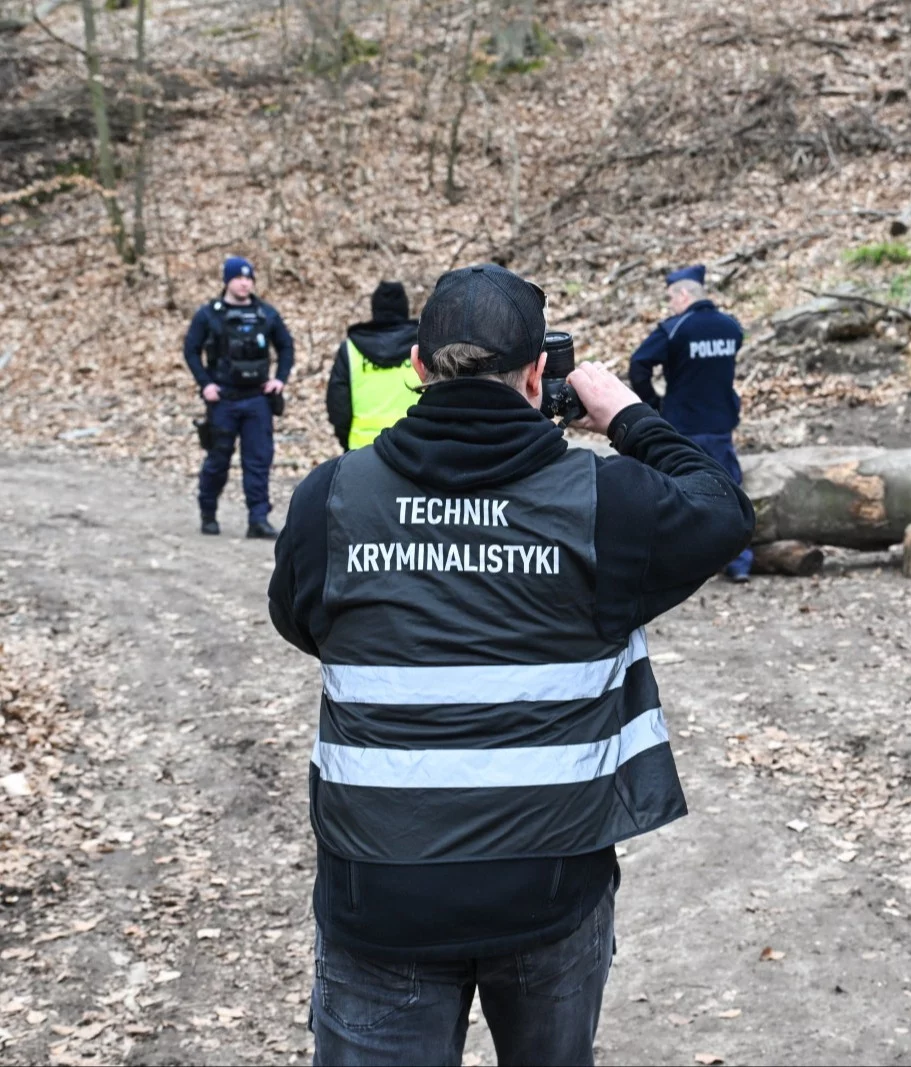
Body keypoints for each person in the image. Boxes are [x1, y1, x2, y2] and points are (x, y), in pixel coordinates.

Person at [267, 263, 754, 1067]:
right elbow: (722, 509)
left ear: (417, 371)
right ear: (538, 376)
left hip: (379, 893)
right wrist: (628, 415)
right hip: (550, 886)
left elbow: (304, 622)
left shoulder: (332, 499)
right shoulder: (605, 503)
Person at [628, 264, 753, 581]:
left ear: (683, 294)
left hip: (682, 424)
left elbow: (639, 364)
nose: (670, 304)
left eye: (671, 298)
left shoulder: (674, 329)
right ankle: (739, 563)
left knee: (678, 490)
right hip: (720, 423)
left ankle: (681, 562)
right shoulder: (730, 327)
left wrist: (653, 403)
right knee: (730, 490)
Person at [183, 255, 294, 538]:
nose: (245, 283)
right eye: (239, 278)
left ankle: (258, 519)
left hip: (257, 400)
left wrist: (279, 380)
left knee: (258, 461)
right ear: (227, 281)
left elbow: (285, 347)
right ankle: (208, 512)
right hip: (223, 399)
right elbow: (191, 350)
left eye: (249, 278)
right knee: (217, 460)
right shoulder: (209, 315)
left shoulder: (266, 314)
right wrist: (205, 384)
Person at [326, 280, 421, 451]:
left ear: (374, 309)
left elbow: (338, 405)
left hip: (361, 451)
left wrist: (346, 442)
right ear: (405, 309)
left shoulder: (350, 348)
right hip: (413, 449)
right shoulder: (422, 346)